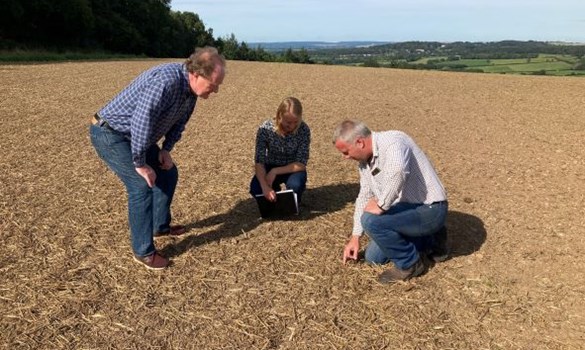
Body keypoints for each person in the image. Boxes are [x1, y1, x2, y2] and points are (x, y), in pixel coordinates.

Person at [90, 46, 226, 270]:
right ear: (195, 74)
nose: (216, 90)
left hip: (133, 136)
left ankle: (159, 227)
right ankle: (143, 252)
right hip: (110, 133)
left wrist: (165, 149)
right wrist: (140, 163)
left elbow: (179, 123)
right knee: (141, 185)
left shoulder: (190, 93)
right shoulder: (165, 81)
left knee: (168, 172)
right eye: (213, 84)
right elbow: (141, 121)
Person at [332, 119, 449, 283]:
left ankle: (411, 264)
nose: (345, 158)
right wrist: (355, 237)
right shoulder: (365, 164)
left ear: (359, 142)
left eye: (346, 152)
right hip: (405, 210)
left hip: (430, 208)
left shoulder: (394, 141)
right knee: (373, 258)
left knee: (370, 221)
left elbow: (398, 171)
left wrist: (381, 204)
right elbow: (364, 196)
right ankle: (429, 239)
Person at [249, 97, 311, 216]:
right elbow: (259, 160)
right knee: (256, 188)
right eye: (288, 122)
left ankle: (293, 202)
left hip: (292, 168)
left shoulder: (304, 130)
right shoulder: (265, 129)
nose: (292, 126)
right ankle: (272, 197)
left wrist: (275, 171)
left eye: (296, 122)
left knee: (295, 185)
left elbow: (301, 163)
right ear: (279, 116)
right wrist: (264, 186)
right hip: (270, 164)